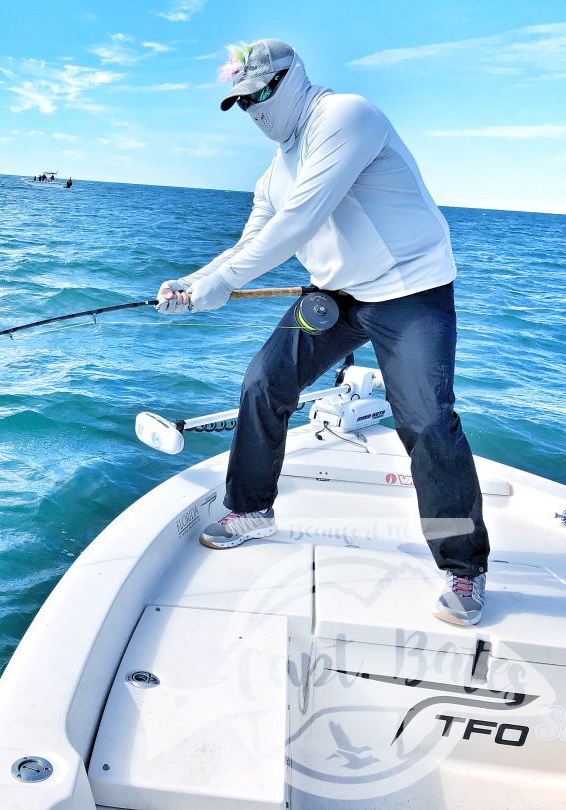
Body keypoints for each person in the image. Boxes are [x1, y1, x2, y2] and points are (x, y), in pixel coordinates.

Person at [156, 39, 490, 626]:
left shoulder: (346, 115)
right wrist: (194, 284)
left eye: (261, 93)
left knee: (427, 421)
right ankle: (250, 510)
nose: (255, 108)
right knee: (264, 381)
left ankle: (463, 565)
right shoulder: (274, 170)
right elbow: (252, 239)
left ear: (289, 79)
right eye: (242, 101)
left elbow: (299, 221)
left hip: (409, 291)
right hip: (336, 296)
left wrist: (223, 282)